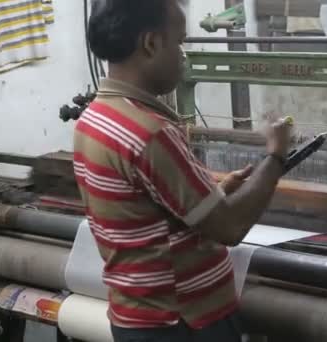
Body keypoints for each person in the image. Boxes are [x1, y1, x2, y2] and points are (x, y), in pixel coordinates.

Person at [74, 0, 292, 341]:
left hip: (135, 317)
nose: (183, 55)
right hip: (184, 325)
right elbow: (230, 227)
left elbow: (153, 212)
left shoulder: (94, 118)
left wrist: (215, 193)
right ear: (151, 44)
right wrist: (276, 156)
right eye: (180, 42)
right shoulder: (150, 133)